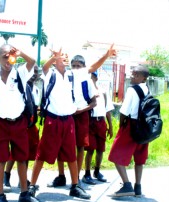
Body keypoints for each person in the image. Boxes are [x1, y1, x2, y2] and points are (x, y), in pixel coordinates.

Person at [0, 44, 44, 202]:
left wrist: (20, 52)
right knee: (1, 159)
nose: (8, 59)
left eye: (10, 56)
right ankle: (0, 196)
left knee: (22, 158)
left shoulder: (20, 74)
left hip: (19, 122)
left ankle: (24, 194)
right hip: (1, 122)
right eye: (4, 56)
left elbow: (32, 62)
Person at [47, 44, 117, 188]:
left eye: (79, 66)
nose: (76, 68)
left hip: (81, 115)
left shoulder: (87, 80)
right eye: (73, 65)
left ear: (84, 67)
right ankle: (61, 175)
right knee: (62, 146)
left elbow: (93, 102)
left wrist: (106, 55)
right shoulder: (66, 76)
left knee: (79, 147)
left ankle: (76, 177)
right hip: (66, 115)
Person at [28, 48, 92, 200]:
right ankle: (32, 186)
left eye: (65, 56)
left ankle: (75, 186)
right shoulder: (50, 74)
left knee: (71, 155)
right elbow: (44, 67)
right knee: (42, 154)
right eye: (61, 56)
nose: (64, 58)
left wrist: (106, 55)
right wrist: (53, 57)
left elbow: (92, 68)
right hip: (53, 120)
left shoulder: (71, 75)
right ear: (55, 60)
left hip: (68, 120)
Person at [108, 65, 150, 197]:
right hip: (144, 127)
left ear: (142, 77)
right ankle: (138, 187)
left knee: (116, 154)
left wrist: (121, 127)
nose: (132, 76)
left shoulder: (132, 90)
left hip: (131, 126)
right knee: (139, 157)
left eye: (135, 74)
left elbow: (124, 112)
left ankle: (127, 185)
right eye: (132, 74)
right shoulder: (147, 89)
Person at [3, 65, 41, 192]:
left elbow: (34, 105)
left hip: (31, 124)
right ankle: (6, 176)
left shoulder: (35, 89)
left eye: (36, 72)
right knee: (16, 151)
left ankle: (22, 179)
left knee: (28, 152)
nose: (34, 74)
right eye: (32, 72)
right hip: (21, 123)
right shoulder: (19, 86)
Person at [82, 71, 114, 185]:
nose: (90, 79)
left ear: (96, 77)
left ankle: (97, 171)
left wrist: (110, 126)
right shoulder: (85, 92)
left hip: (101, 121)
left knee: (101, 149)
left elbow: (108, 110)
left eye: (92, 76)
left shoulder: (103, 92)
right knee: (90, 149)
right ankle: (87, 173)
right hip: (90, 121)